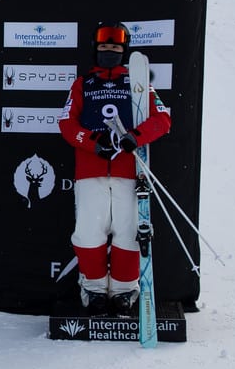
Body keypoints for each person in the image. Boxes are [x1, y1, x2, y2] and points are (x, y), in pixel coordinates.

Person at [58, 22, 171, 316]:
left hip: (128, 172)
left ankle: (124, 290)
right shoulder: (83, 83)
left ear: (124, 51)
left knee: (128, 232)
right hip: (90, 171)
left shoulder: (138, 83)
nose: (110, 52)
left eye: (116, 48)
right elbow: (67, 124)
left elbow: (162, 120)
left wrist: (135, 137)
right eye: (105, 48)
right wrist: (93, 143)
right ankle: (93, 289)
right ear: (96, 51)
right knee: (88, 232)